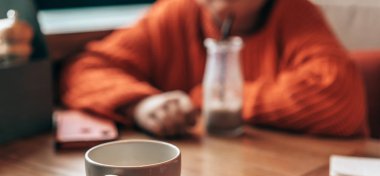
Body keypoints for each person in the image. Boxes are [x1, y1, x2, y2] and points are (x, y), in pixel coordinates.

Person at [61, 0, 368, 138]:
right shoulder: (176, 12)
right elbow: (85, 69)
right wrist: (140, 104)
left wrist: (203, 99)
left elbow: (339, 101)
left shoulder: (294, 12)